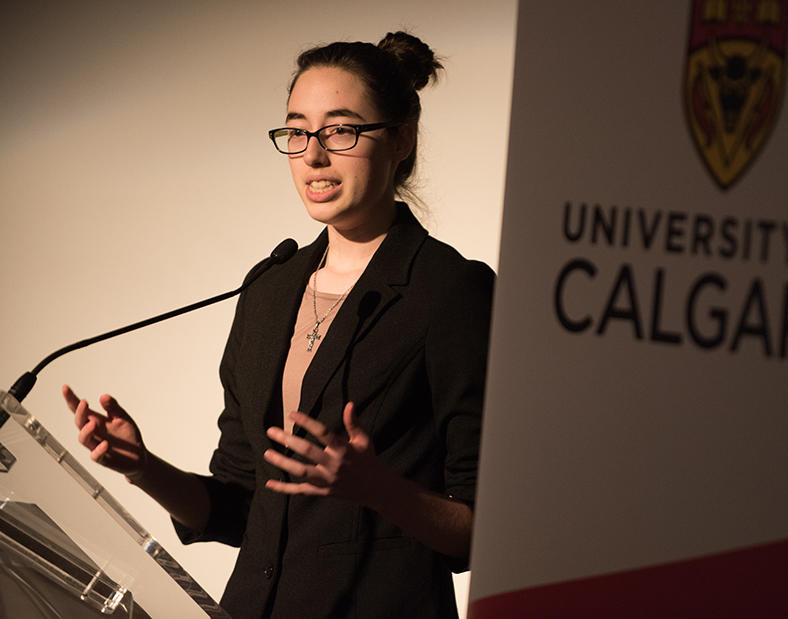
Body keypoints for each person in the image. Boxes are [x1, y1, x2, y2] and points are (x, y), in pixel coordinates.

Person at [62, 32, 494, 618]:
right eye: (297, 131)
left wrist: (378, 488)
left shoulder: (449, 290)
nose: (313, 156)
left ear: (401, 139)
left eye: (341, 130)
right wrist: (144, 468)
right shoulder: (269, 289)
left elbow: (483, 530)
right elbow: (241, 503)